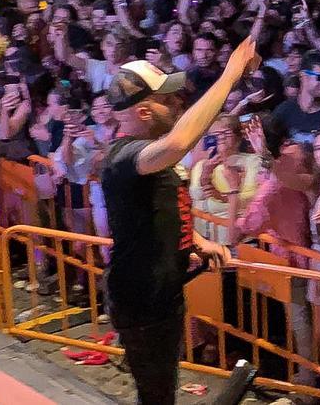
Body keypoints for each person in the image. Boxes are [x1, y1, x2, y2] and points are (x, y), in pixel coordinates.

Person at [101, 38, 256, 404]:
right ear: (143, 112)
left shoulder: (149, 159)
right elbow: (179, 143)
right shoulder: (125, 157)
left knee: (160, 391)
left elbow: (163, 208)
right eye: (167, 99)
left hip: (161, 294)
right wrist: (231, 73)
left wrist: (197, 243)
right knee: (157, 397)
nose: (178, 102)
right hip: (142, 301)